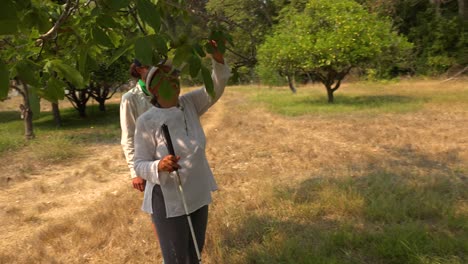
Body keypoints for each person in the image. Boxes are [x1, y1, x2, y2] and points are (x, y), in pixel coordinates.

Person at [133, 40, 230, 264]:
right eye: (163, 78)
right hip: (169, 199)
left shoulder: (190, 104)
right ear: (153, 88)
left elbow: (216, 86)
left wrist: (217, 58)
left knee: (194, 254)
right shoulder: (146, 121)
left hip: (197, 190)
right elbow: (139, 163)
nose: (172, 81)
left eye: (174, 76)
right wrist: (158, 165)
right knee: (176, 258)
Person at [120, 59, 153, 192]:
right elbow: (128, 136)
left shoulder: (165, 93)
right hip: (147, 161)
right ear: (140, 70)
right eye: (151, 66)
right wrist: (135, 172)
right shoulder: (130, 98)